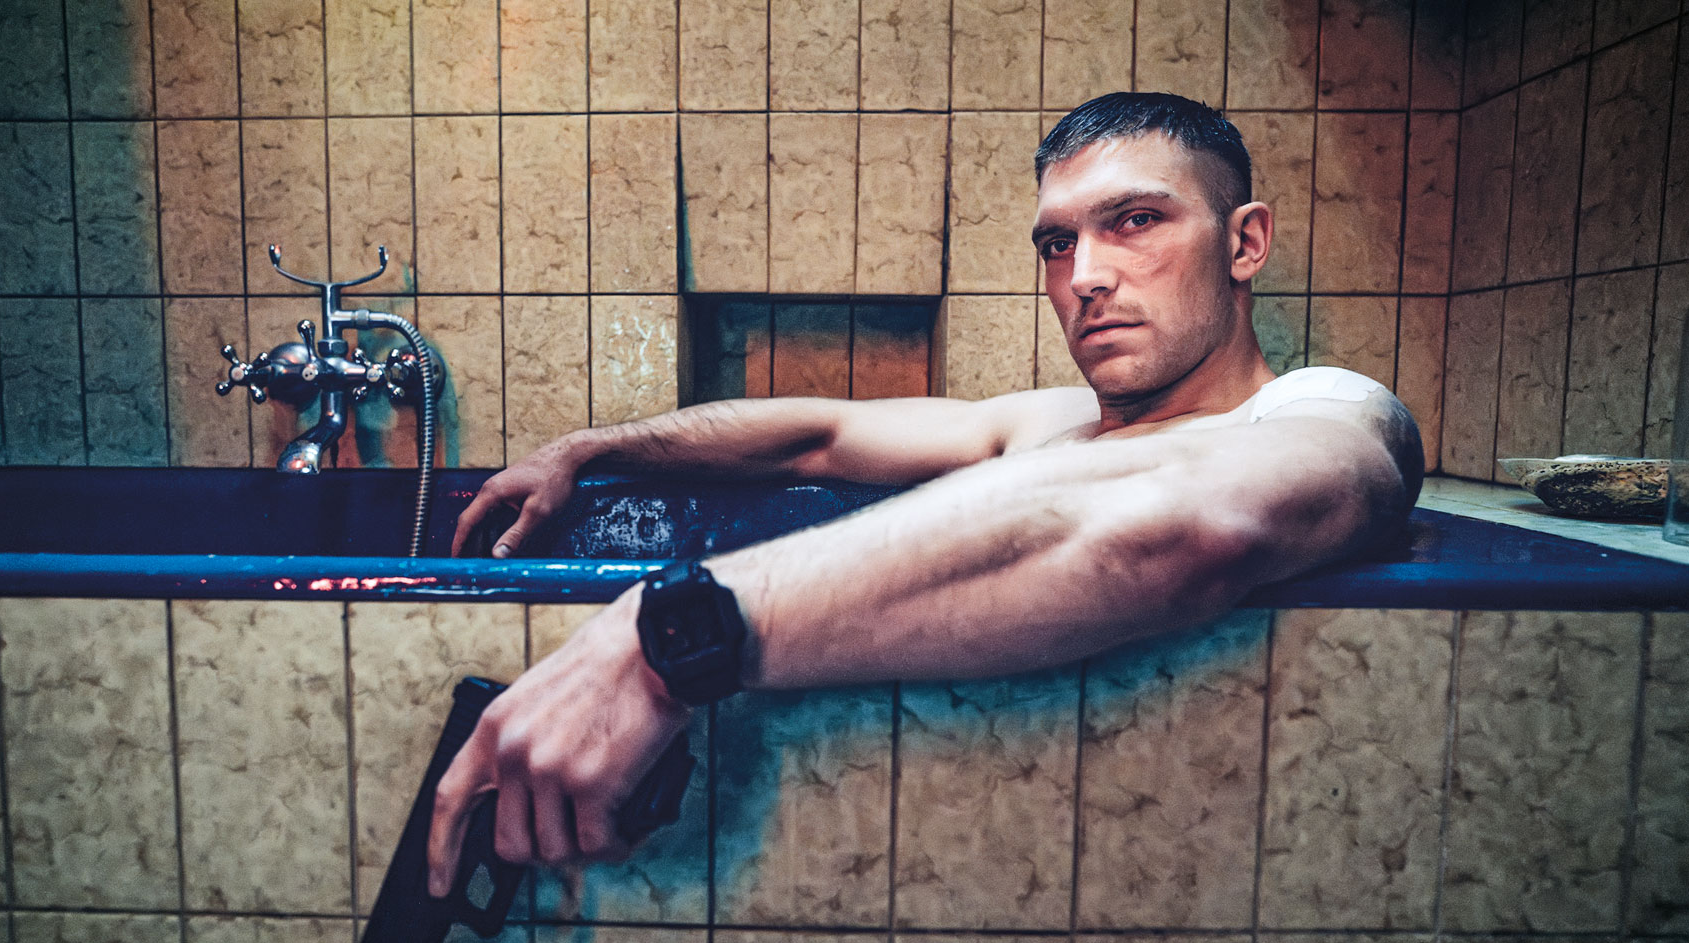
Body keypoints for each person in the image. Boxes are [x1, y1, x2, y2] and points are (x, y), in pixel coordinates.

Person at [426, 92, 1423, 895]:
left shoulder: (1325, 408)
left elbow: (1188, 519)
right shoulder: (1051, 424)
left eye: (1135, 222)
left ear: (1244, 243)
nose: (1085, 275)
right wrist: (592, 450)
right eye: (1057, 243)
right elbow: (817, 436)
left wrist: (669, 633)